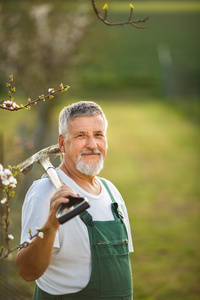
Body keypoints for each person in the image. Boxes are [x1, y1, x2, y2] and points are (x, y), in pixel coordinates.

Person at [16, 101, 133, 300]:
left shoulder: (111, 192)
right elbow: (27, 271)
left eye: (98, 134)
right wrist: (51, 225)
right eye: (81, 135)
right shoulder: (45, 193)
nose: (92, 145)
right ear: (62, 143)